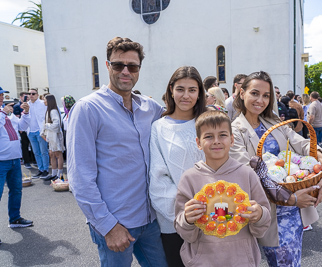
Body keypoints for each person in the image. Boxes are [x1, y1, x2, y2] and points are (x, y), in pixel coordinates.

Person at [67, 37, 167, 267]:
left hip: (150, 219)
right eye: (118, 65)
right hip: (115, 223)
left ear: (139, 69)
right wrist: (108, 227)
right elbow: (80, 177)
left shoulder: (149, 107)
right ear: (107, 65)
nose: (125, 71)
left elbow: (182, 118)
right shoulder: (88, 109)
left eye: (132, 66)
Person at [229, 71, 322, 266]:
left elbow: (303, 144)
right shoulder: (234, 131)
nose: (260, 100)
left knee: (293, 261)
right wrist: (292, 198)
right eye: (255, 93)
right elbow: (247, 175)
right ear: (241, 93)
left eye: (266, 95)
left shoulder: (272, 122)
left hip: (294, 211)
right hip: (271, 211)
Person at [174, 110, 272, 266]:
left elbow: (263, 223)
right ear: (198, 143)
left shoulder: (247, 175)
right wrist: (187, 219)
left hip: (242, 260)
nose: (216, 141)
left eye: (222, 135)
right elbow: (184, 230)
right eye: (208, 136)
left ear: (232, 140)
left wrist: (259, 214)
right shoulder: (189, 178)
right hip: (202, 261)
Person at [149, 66, 207, 267]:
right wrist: (189, 212)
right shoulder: (159, 127)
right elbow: (158, 177)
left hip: (212, 215)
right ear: (171, 90)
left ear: (199, 93)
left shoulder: (207, 123)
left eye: (192, 90)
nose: (186, 95)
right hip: (174, 221)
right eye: (180, 89)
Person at [0, 88, 33, 237]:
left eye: (2, 94)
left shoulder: (5, 113)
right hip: (1, 161)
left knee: (16, 191)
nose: (2, 97)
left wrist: (26, 113)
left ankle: (15, 219)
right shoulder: (3, 113)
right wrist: (3, 113)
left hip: (14, 159)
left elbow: (22, 127)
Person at [41, 94, 65, 181]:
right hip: (51, 136)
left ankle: (60, 174)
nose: (44, 101)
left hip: (56, 136)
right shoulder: (48, 111)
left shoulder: (53, 111)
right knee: (52, 154)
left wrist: (46, 125)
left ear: (49, 101)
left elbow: (56, 125)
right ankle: (54, 173)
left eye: (45, 100)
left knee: (58, 154)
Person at [27, 88, 49, 179]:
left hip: (40, 131)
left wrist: (45, 130)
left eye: (33, 93)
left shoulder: (42, 103)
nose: (31, 95)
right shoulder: (26, 105)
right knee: (36, 152)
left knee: (44, 151)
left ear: (37, 94)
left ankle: (46, 170)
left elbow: (47, 116)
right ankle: (40, 169)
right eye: (29, 94)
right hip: (30, 132)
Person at [13, 91, 34, 168]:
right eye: (25, 96)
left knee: (32, 145)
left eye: (27, 97)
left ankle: (33, 160)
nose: (27, 98)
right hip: (22, 128)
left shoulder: (30, 105)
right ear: (21, 97)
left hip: (30, 128)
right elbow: (17, 117)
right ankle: (27, 161)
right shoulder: (17, 106)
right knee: (24, 145)